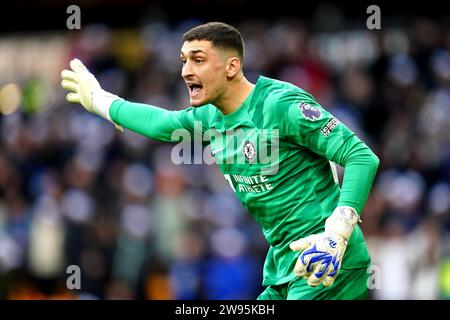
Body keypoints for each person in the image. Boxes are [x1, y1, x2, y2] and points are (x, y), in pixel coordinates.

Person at [60, 21, 379, 300]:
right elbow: (160, 123)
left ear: (231, 67)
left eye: (198, 60)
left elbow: (361, 156)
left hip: (327, 260)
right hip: (285, 263)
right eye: (184, 60)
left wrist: (337, 233)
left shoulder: (280, 106)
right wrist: (101, 100)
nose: (186, 70)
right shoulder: (211, 119)